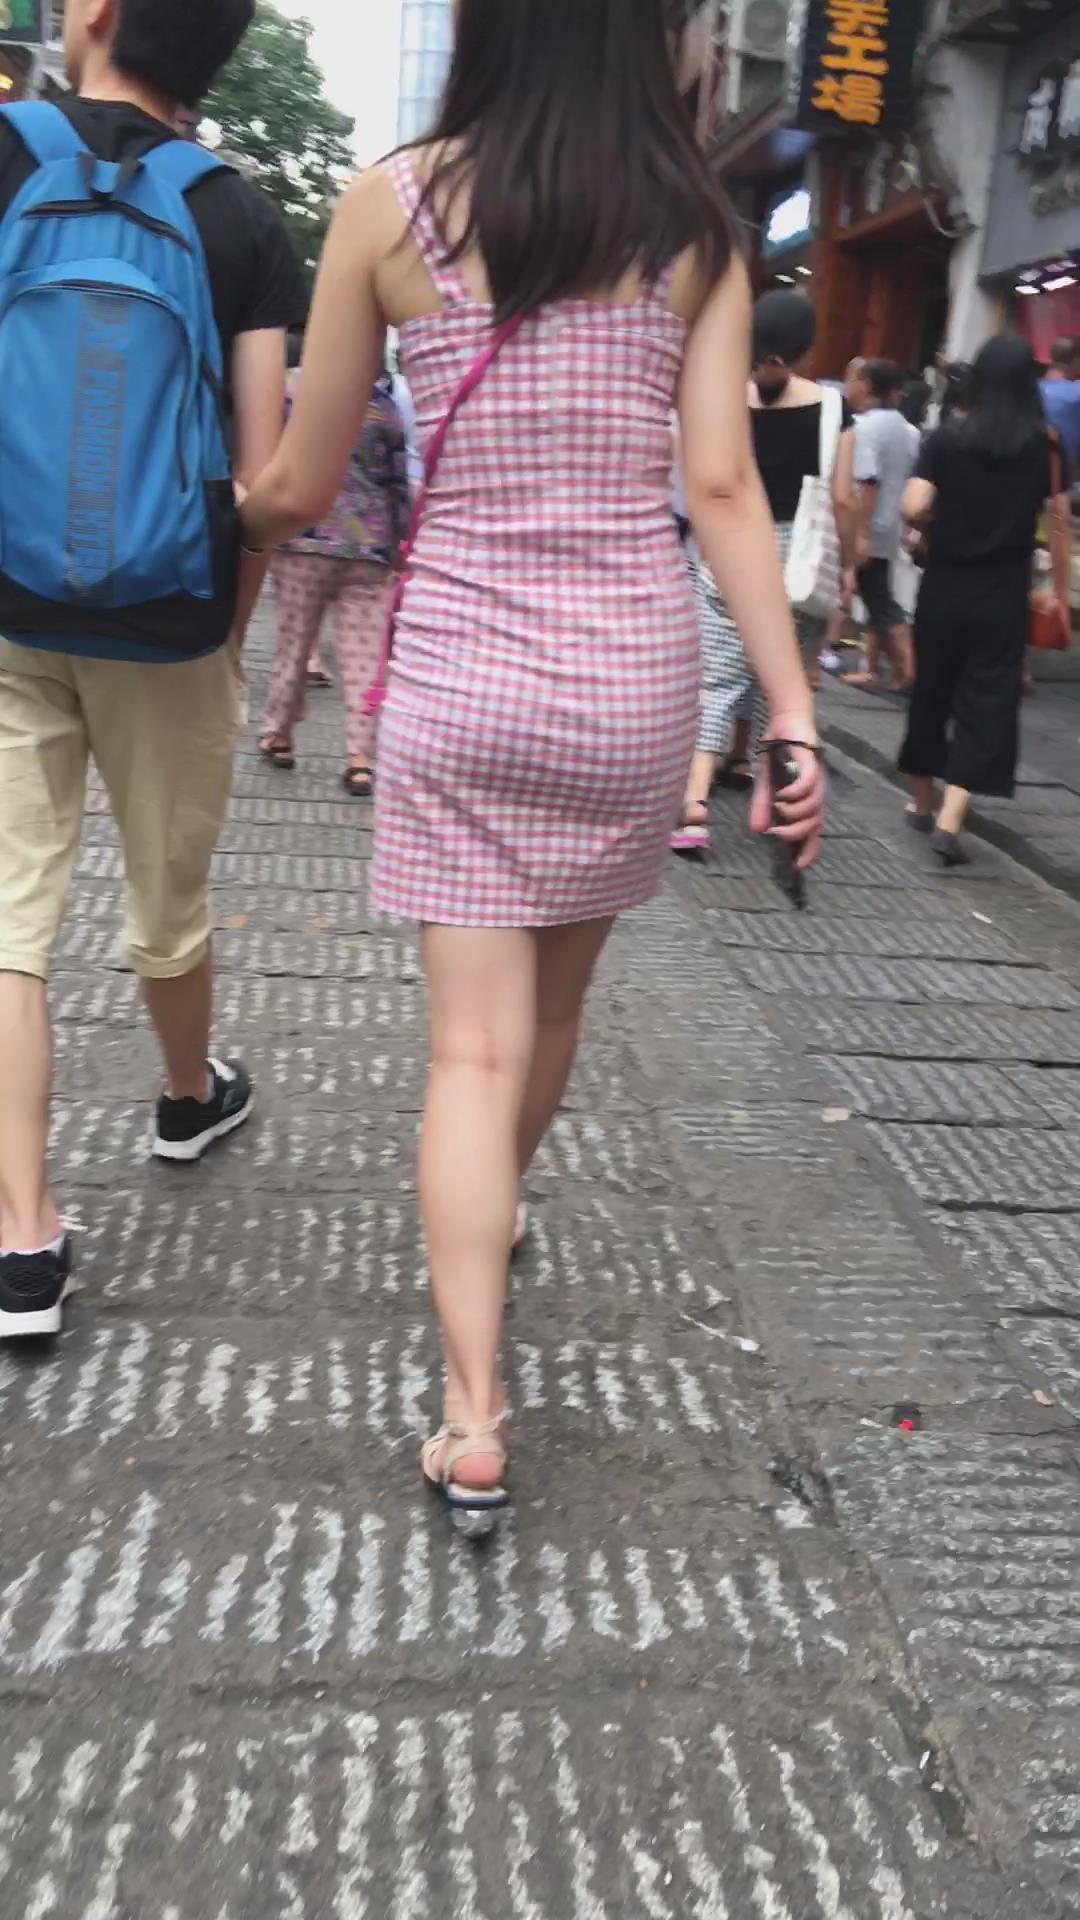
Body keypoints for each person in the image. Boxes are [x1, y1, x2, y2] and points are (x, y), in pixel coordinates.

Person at [237, 0, 826, 1528]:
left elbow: (302, 480)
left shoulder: (388, 204)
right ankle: (491, 1212)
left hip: (459, 679)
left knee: (468, 1055)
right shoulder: (692, 230)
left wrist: (224, 515)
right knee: (549, 1022)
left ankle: (474, 1414)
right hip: (628, 684)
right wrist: (790, 709)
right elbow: (721, 487)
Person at [0, 0, 306, 1339]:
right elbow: (264, 482)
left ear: (99, 14)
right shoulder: (240, 214)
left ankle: (22, 1240)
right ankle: (188, 1097)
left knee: (7, 920)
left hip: (4, 596)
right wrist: (228, 626)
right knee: (167, 892)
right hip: (171, 613)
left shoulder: (4, 151)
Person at [674, 289, 853, 846]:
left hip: (729, 552)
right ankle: (774, 798)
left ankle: (694, 803)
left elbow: (706, 480)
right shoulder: (833, 409)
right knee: (784, 685)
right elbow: (842, 499)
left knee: (716, 680)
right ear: (806, 350)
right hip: (801, 562)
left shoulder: (726, 399)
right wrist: (847, 565)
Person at [899, 335, 1071, 866]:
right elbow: (1059, 523)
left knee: (933, 691)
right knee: (988, 699)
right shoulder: (1044, 446)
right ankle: (952, 816)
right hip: (1003, 594)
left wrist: (941, 518)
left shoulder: (948, 439)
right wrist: (1060, 594)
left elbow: (913, 505)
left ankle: (921, 801)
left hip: (945, 586)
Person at [260, 364, 410, 796]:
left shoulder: (289, 390)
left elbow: (269, 462)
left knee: (294, 647)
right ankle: (361, 758)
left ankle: (279, 736)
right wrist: (400, 541)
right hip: (369, 546)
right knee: (366, 659)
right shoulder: (382, 405)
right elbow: (397, 481)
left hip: (302, 539)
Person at [842, 359, 919, 692]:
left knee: (880, 600)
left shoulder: (867, 427)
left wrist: (860, 534)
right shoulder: (901, 426)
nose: (850, 386)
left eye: (855, 379)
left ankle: (909, 668)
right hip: (888, 522)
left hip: (870, 524)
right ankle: (884, 668)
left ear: (867, 385)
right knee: (878, 598)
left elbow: (867, 482)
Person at [1039, 336, 1080, 473]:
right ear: (1076, 361)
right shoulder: (1076, 393)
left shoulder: (1031, 390)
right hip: (1068, 476)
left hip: (1033, 472)